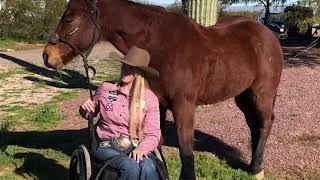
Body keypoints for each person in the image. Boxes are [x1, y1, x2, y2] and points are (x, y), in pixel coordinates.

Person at [79, 46, 161, 180]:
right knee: (130, 166)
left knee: (148, 166)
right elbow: (89, 114)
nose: (124, 71)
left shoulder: (149, 98)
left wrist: (142, 149)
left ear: (139, 73)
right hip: (107, 145)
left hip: (136, 145)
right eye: (124, 66)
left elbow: (153, 133)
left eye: (130, 68)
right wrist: (85, 108)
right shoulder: (106, 89)